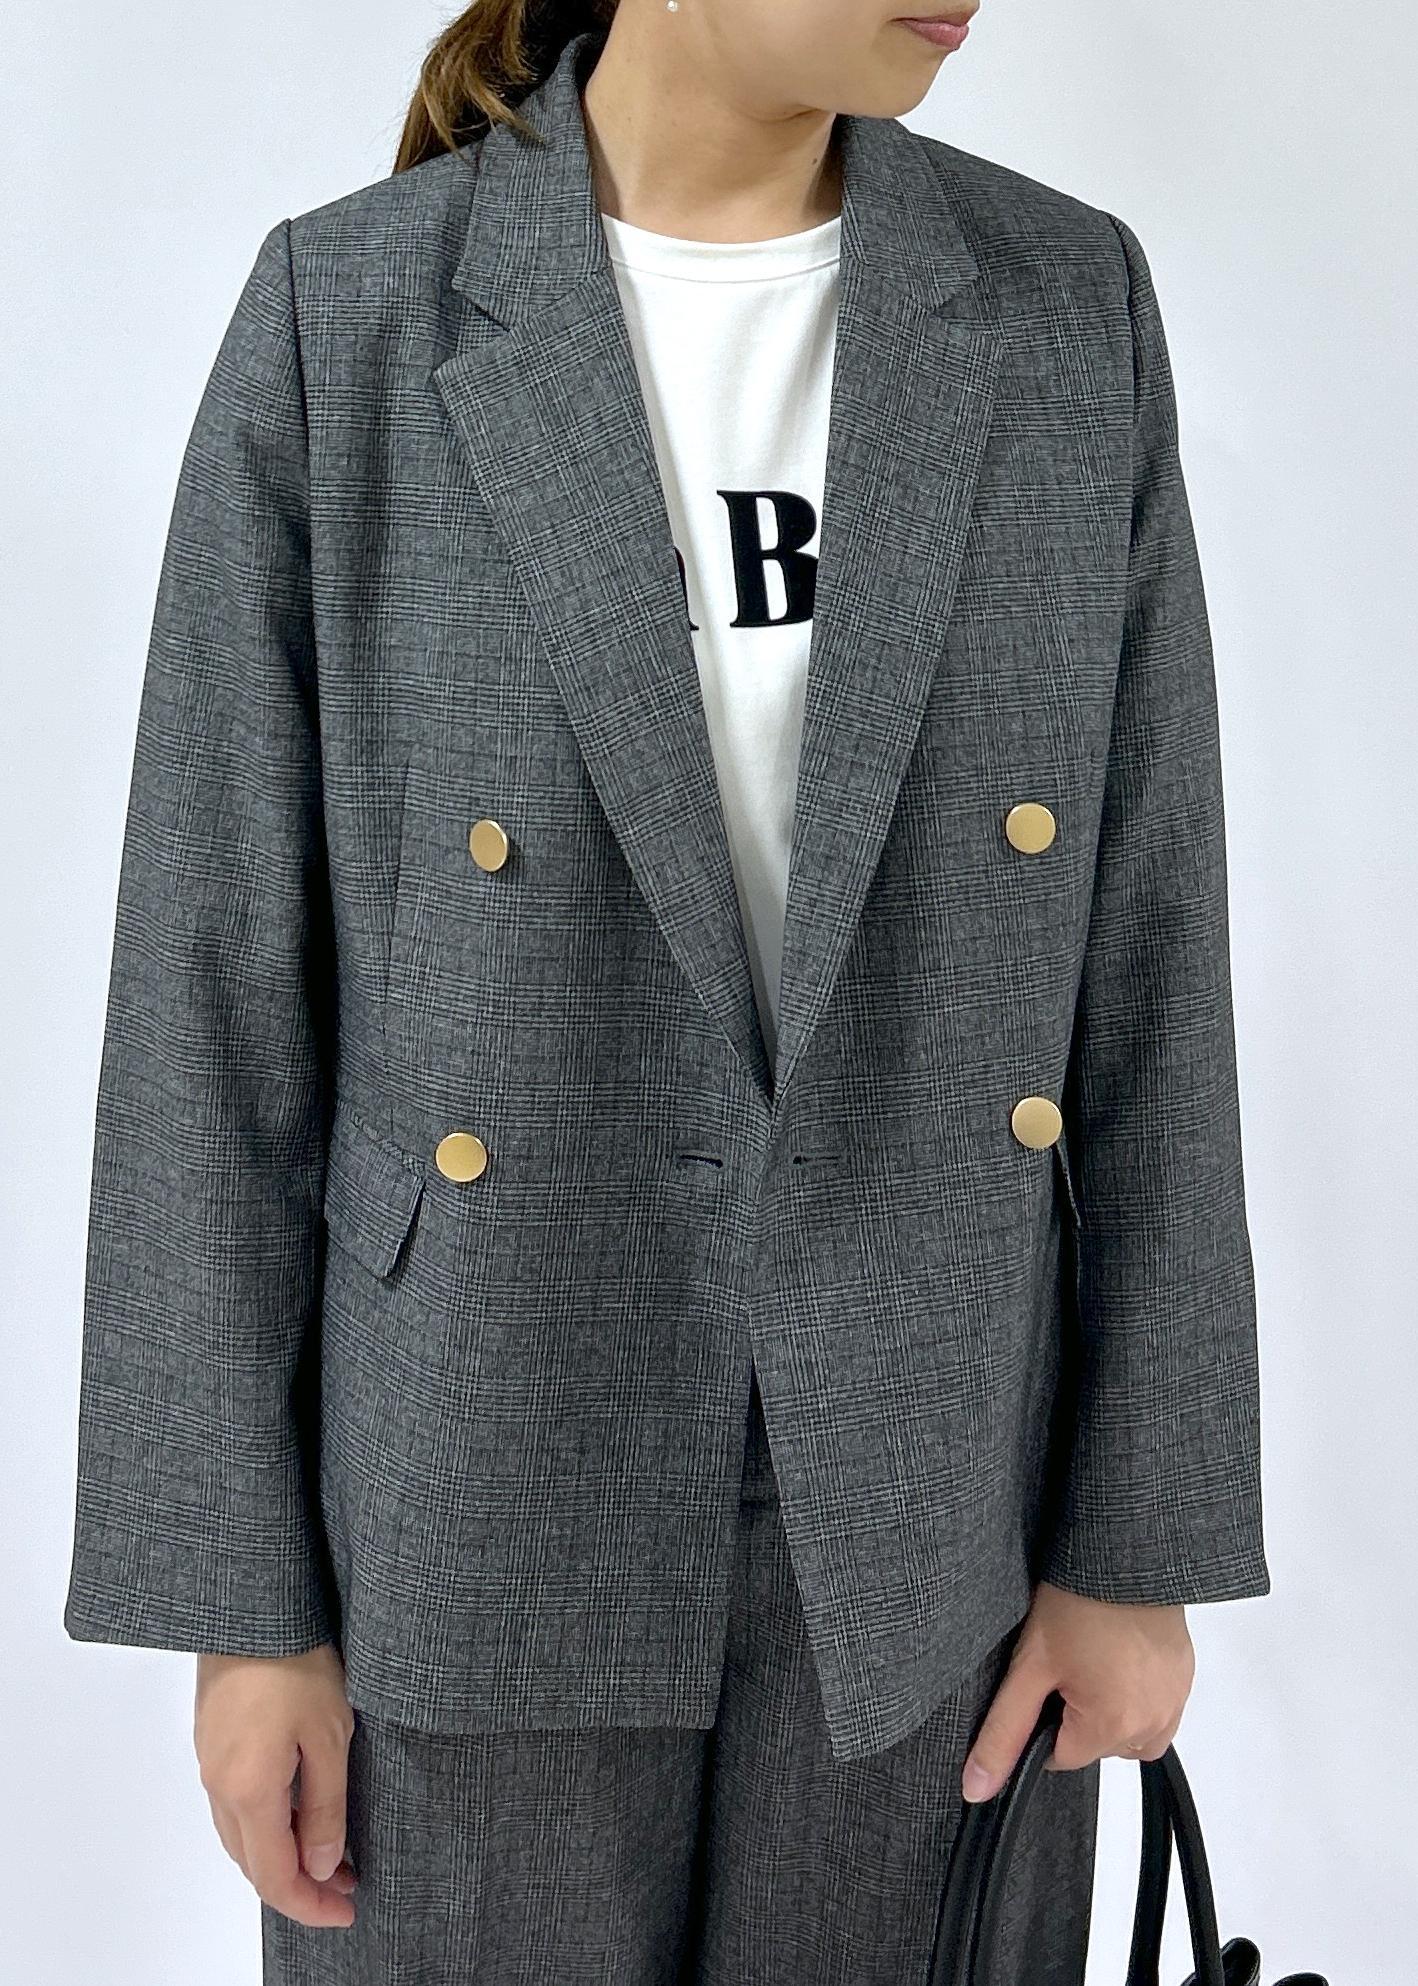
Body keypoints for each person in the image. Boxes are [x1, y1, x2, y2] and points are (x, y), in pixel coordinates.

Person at [63, 1, 1271, 1980]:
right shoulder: (348, 323)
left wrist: (1136, 1540)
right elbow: (210, 999)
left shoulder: (1064, 307)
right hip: (474, 1483)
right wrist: (242, 1608)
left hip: (934, 1504)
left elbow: (1149, 945)